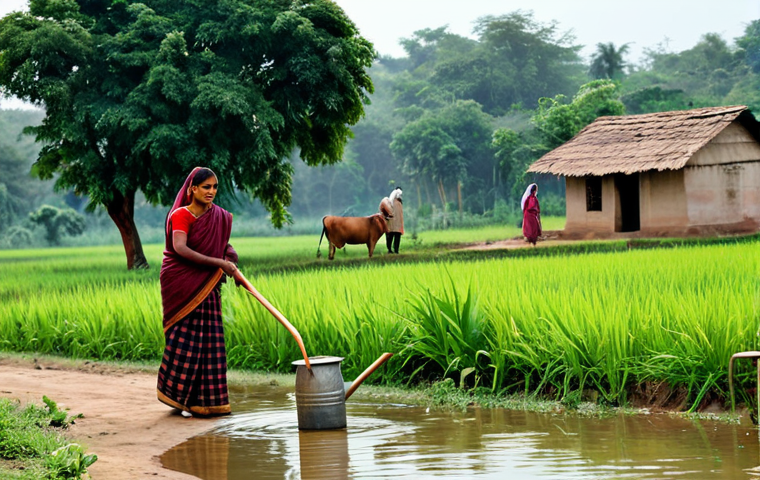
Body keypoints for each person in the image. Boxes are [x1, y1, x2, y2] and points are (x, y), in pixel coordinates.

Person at [157, 167, 238, 417]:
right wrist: (220, 264)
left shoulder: (219, 217)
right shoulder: (181, 215)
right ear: (192, 189)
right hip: (182, 283)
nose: (211, 192)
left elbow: (223, 246)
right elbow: (180, 248)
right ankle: (176, 395)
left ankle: (205, 402)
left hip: (208, 285)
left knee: (210, 342)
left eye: (214, 187)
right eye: (206, 187)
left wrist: (231, 261)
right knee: (186, 342)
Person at [386, 187, 404, 254]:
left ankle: (389, 250)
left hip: (390, 224)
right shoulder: (399, 203)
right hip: (398, 225)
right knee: (397, 237)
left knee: (389, 237)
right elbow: (401, 215)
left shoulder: (389, 202)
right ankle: (396, 250)